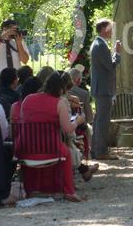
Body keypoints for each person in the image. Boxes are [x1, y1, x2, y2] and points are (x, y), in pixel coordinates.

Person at [20, 72, 88, 201]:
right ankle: (69, 191)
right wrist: (78, 121)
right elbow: (68, 129)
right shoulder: (59, 103)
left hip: (26, 147)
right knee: (66, 152)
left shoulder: (28, 99)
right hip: (51, 148)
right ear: (61, 89)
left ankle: (30, 189)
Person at [89, 18, 122, 161]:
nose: (112, 31)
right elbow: (111, 66)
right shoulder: (100, 46)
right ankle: (101, 151)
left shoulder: (98, 44)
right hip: (103, 89)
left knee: (98, 120)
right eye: (110, 28)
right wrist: (117, 53)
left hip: (100, 88)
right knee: (102, 121)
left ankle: (96, 150)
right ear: (103, 28)